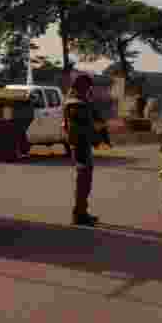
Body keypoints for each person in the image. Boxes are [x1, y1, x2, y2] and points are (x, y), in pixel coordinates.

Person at [63, 73, 108, 225]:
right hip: (80, 146)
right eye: (88, 86)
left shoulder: (80, 101)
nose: (90, 89)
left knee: (85, 181)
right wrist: (95, 138)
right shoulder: (76, 103)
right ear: (82, 86)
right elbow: (80, 128)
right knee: (83, 182)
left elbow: (92, 121)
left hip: (82, 145)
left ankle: (82, 212)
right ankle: (79, 215)